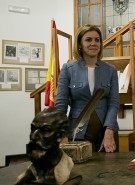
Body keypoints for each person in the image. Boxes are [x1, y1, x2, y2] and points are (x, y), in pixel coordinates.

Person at [55, 24, 119, 153]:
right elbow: (61, 105)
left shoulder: (110, 70)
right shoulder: (68, 69)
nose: (93, 43)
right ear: (80, 44)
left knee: (110, 170)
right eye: (88, 40)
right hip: (78, 133)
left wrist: (109, 130)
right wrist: (57, 133)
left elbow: (114, 103)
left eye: (97, 40)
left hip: (106, 132)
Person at [15, 107, 81, 185]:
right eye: (33, 129)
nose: (33, 136)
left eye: (45, 130)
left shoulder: (64, 171)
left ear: (60, 136)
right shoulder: (27, 175)